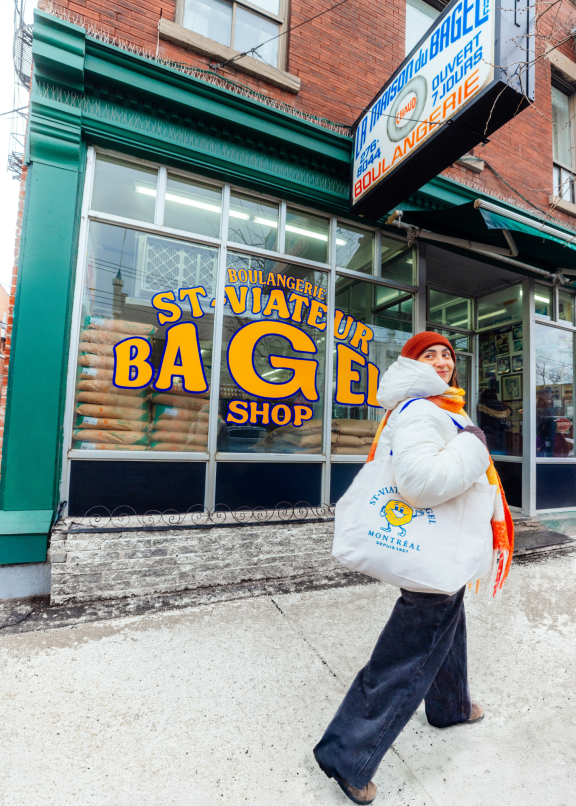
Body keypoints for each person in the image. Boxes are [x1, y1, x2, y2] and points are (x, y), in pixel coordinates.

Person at [314, 332, 513, 805]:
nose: (442, 360)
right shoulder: (424, 408)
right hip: (435, 545)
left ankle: (451, 707)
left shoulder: (436, 404)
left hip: (447, 546)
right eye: (430, 354)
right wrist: (474, 445)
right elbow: (422, 484)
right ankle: (348, 755)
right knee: (409, 654)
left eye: (447, 354)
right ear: (412, 363)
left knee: (448, 621)